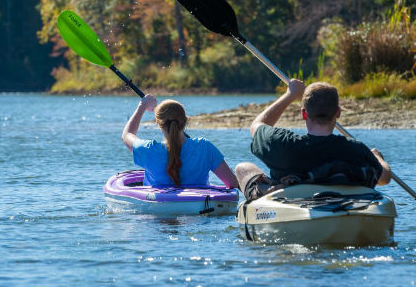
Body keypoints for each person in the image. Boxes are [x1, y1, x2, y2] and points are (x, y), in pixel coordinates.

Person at [235, 79, 391, 201]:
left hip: (293, 202)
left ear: (304, 114)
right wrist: (377, 157)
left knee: (243, 168)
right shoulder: (357, 150)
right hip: (346, 202)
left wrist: (290, 95)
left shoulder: (283, 144)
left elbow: (256, 125)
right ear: (338, 113)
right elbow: (384, 178)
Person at [122, 94, 239, 188]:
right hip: (199, 210)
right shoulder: (204, 147)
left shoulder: (148, 149)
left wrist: (142, 106)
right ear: (185, 121)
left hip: (157, 212)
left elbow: (127, 135)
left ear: (158, 124)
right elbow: (232, 183)